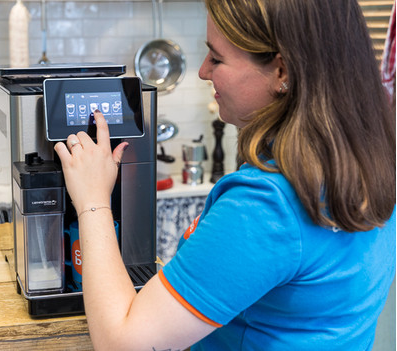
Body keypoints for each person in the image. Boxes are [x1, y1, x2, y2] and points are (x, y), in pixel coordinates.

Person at [54, 0, 396, 349]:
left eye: (217, 58)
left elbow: (123, 344)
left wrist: (92, 200)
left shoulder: (267, 206)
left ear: (283, 72)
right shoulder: (369, 164)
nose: (203, 71)